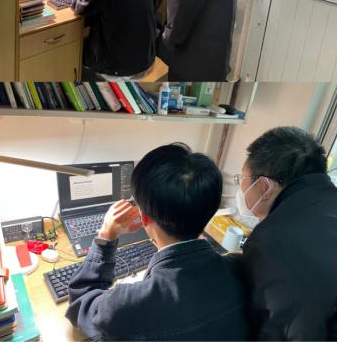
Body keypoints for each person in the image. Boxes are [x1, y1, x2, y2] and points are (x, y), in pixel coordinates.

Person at [65, 144, 249, 340]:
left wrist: (105, 237)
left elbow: (80, 304)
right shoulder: (240, 268)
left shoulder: (123, 307)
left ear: (144, 217)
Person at [238, 127, 337, 340]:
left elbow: (278, 331)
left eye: (242, 179)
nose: (241, 188)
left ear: (264, 186)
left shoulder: (268, 241)